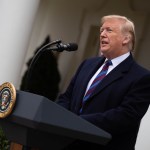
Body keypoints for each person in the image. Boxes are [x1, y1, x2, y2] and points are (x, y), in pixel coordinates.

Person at [56, 15, 150, 150]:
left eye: (109, 30)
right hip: (66, 144)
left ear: (126, 38)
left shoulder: (142, 77)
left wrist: (77, 122)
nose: (102, 35)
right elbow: (66, 98)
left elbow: (125, 116)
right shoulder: (87, 64)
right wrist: (56, 117)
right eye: (101, 31)